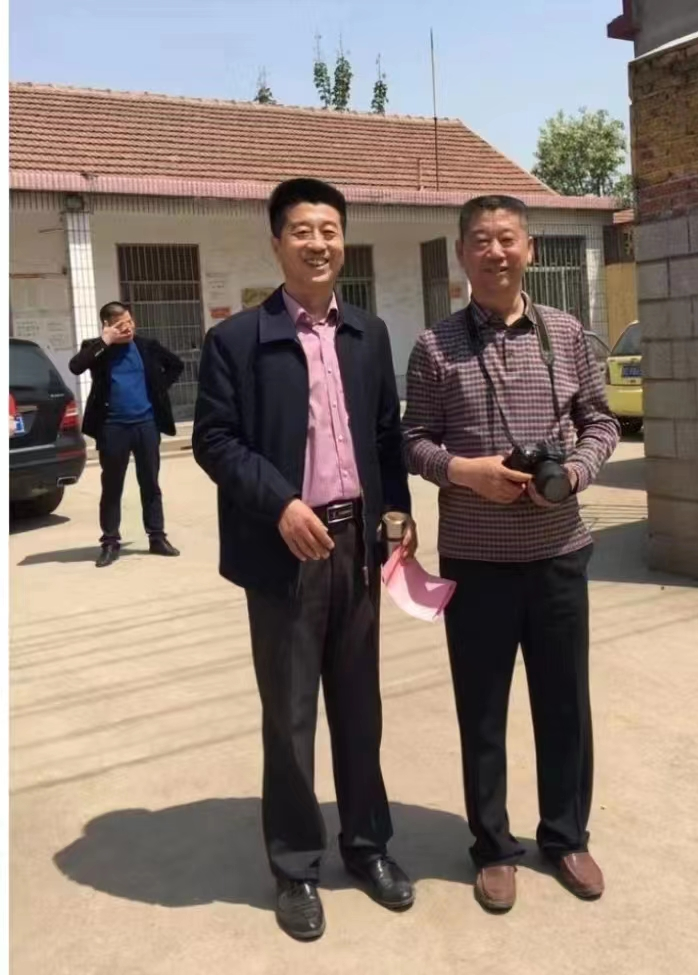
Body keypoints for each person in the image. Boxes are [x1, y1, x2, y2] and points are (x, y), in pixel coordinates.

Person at [192, 178, 418, 942]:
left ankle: (368, 845)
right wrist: (281, 502)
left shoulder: (368, 333)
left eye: (329, 229)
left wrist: (397, 512)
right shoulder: (238, 341)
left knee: (360, 707)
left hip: (358, 546)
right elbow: (215, 440)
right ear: (276, 242)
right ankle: (294, 866)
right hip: (283, 546)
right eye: (302, 230)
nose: (317, 243)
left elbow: (384, 434)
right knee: (290, 717)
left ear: (342, 240)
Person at [402, 195, 620, 913]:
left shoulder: (567, 332)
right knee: (482, 710)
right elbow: (412, 440)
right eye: (480, 240)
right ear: (461, 253)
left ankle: (566, 836)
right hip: (475, 559)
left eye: (507, 239)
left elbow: (600, 421)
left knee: (565, 705)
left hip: (559, 552)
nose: (495, 252)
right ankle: (493, 847)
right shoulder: (435, 346)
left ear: (530, 248)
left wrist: (575, 474)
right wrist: (466, 472)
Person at [69, 302, 184, 567]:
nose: (129, 327)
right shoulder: (97, 348)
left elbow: (175, 365)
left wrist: (157, 389)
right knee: (112, 486)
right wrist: (105, 341)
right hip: (113, 427)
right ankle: (110, 542)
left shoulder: (146, 346)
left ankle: (157, 537)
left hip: (146, 425)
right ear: (108, 325)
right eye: (121, 324)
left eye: (130, 321)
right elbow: (76, 366)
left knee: (150, 483)